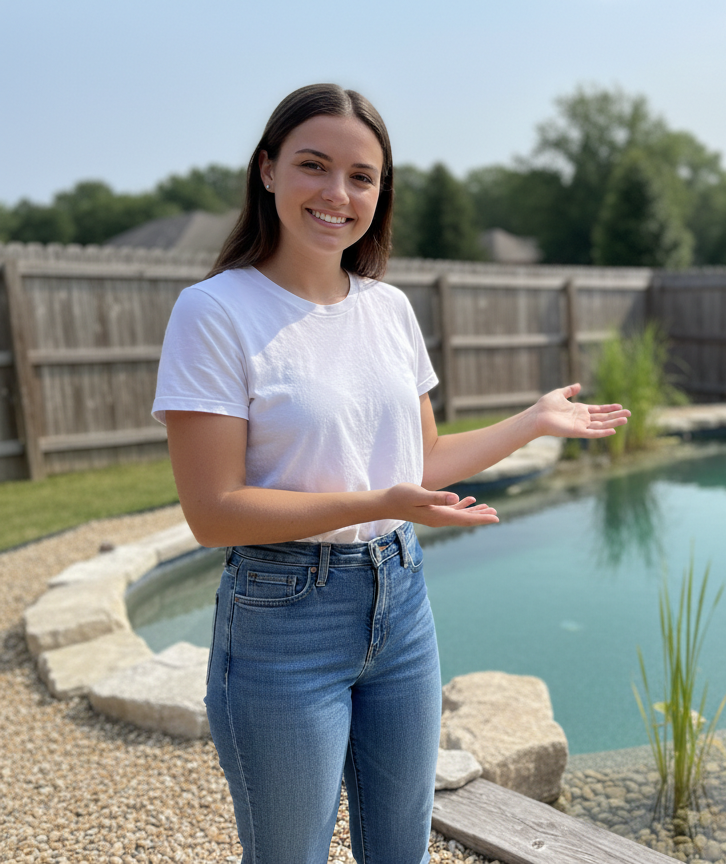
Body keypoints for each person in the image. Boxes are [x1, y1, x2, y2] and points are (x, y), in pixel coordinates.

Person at [151, 83, 629, 864]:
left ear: (381, 191)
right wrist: (380, 501)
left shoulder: (388, 309)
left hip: (401, 604)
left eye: (362, 176)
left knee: (401, 851)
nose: (338, 194)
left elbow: (422, 462)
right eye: (314, 165)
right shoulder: (215, 312)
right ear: (267, 170)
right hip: (283, 620)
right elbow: (214, 511)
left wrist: (532, 422)